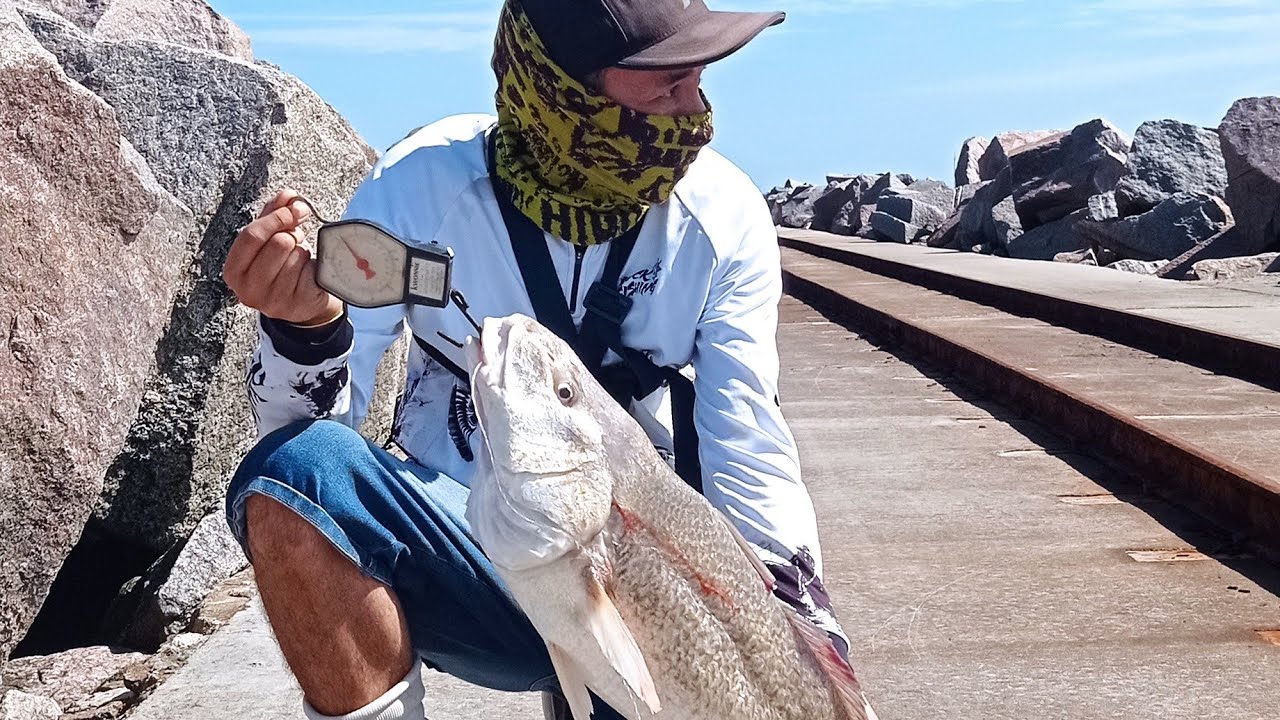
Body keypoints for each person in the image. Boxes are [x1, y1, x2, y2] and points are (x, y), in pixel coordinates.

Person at [221, 1, 850, 718]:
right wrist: (306, 332)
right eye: (668, 86)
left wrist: (803, 634)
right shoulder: (421, 186)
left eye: (699, 81)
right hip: (471, 550)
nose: (698, 114)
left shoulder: (726, 215)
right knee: (294, 477)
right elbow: (308, 427)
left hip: (633, 579)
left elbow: (747, 437)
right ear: (564, 93)